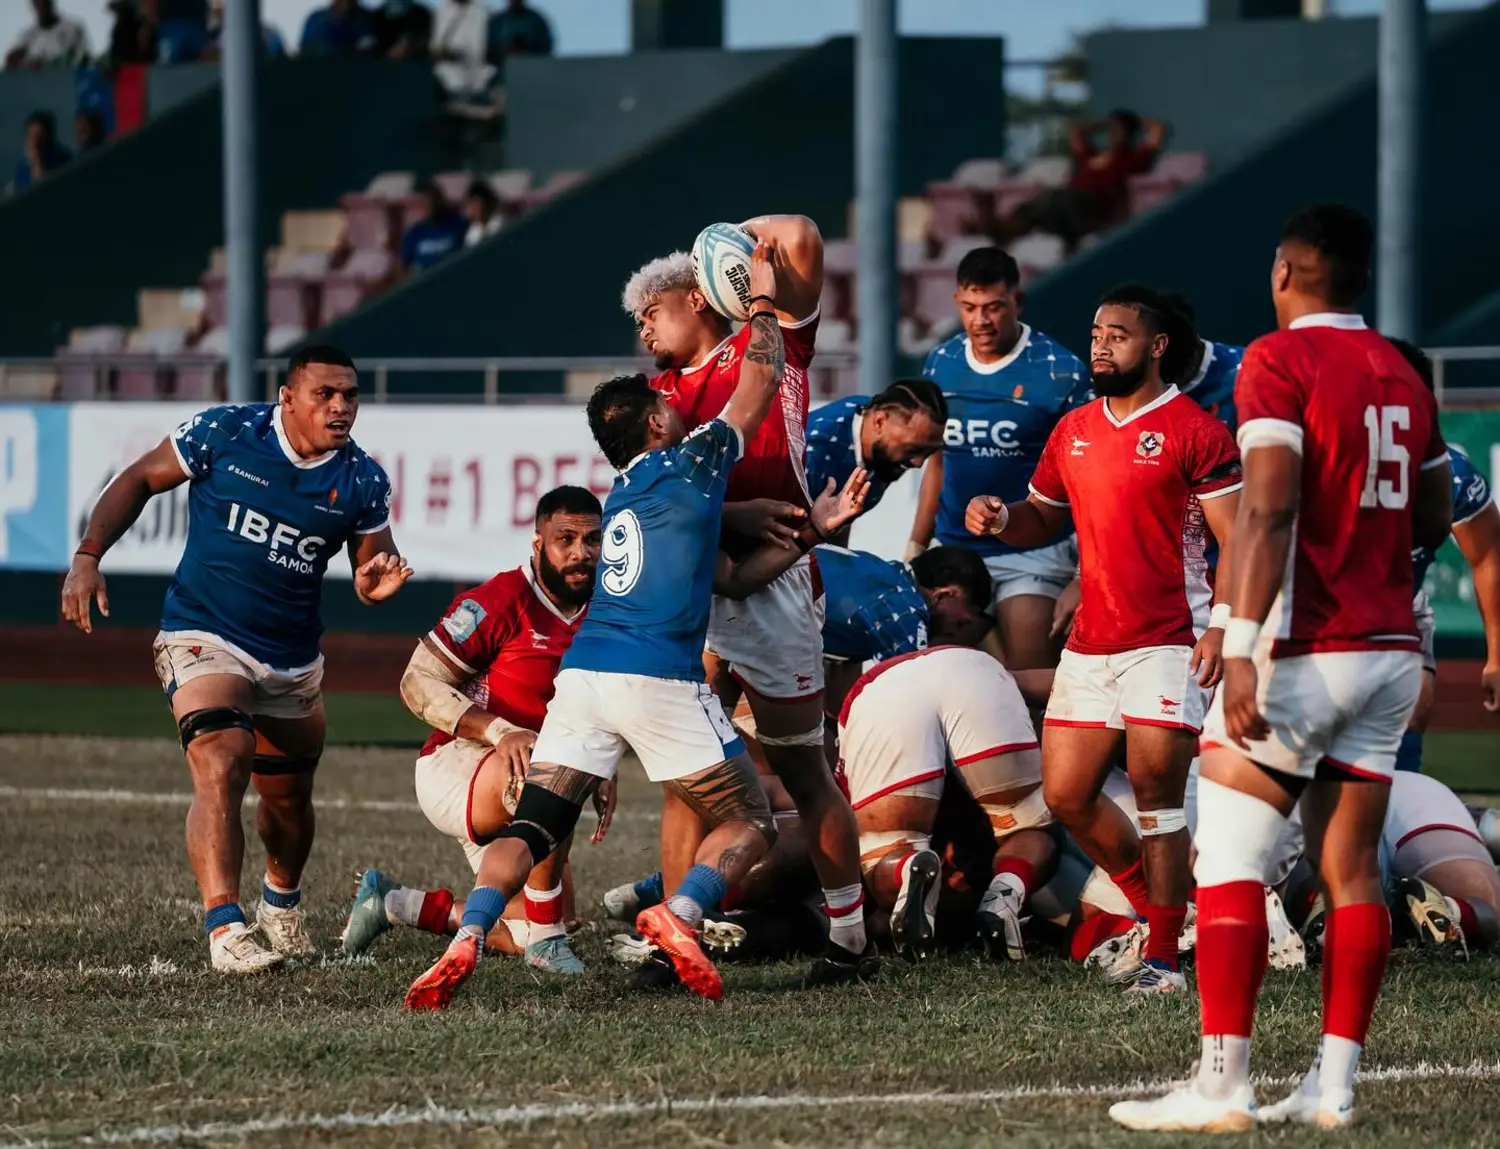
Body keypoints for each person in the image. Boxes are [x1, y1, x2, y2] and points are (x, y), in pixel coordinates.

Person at [403, 243, 843, 1009]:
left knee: (535, 825)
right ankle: (681, 913)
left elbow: (731, 571)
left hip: (583, 680)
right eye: (665, 403)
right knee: (751, 821)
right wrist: (763, 302)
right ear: (656, 419)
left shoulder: (625, 495)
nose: (677, 402)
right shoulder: (696, 458)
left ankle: (471, 932)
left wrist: (808, 530)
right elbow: (762, 378)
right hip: (655, 676)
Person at [1109, 205, 1451, 1133]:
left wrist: (1246, 636)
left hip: (1308, 644)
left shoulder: (1276, 358)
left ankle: (1222, 1084)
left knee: (1226, 858)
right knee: (1352, 872)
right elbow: (1430, 518)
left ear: (1287, 272)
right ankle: (1333, 1086)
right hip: (1388, 655)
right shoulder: (1402, 371)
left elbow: (1263, 511)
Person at [60, 346, 410, 975]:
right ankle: (225, 928)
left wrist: (373, 584)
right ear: (288, 397)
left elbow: (370, 567)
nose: (340, 407)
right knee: (222, 761)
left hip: (292, 657)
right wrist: (89, 554)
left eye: (350, 396)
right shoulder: (225, 432)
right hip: (203, 631)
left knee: (289, 802)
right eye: (325, 394)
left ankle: (281, 904)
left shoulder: (363, 479)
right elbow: (140, 477)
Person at [966, 284, 1241, 994]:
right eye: (1095, 332)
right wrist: (1001, 520)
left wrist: (1222, 626)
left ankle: (1163, 959)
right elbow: (1041, 518)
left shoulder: (1197, 430)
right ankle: (1165, 917)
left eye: (1116, 334)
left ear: (1155, 347)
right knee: (1067, 794)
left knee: (1157, 794)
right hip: (1090, 646)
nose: (1099, 344)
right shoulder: (1075, 429)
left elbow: (1237, 540)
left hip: (1167, 640)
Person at [631, 215, 877, 986]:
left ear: (699, 298)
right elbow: (664, 491)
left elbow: (800, 232)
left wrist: (727, 236)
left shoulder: (772, 341)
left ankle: (850, 939)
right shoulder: (659, 394)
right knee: (685, 777)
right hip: (705, 589)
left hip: (775, 586)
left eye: (653, 312)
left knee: (805, 772)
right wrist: (733, 514)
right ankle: (678, 934)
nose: (644, 331)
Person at [343, 486, 604, 973]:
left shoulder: (606, 606)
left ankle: (394, 902)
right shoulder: (502, 599)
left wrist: (602, 768)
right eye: (564, 539)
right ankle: (548, 939)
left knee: (530, 929)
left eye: (591, 540)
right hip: (458, 767)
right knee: (555, 775)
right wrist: (500, 731)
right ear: (536, 543)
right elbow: (417, 681)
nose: (579, 553)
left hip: (528, 781)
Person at [909, 247, 1090, 676]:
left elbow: (1085, 480)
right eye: (970, 308)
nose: (981, 321)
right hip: (954, 550)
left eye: (993, 307)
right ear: (956, 302)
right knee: (929, 672)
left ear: (1017, 303)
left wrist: (1084, 574)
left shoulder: (1060, 371)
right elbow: (937, 463)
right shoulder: (941, 362)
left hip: (1034, 552)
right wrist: (915, 549)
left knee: (1027, 678)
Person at [841, 645, 1055, 963]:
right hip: (972, 672)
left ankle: (903, 870)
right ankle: (1006, 890)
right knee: (1030, 825)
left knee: (881, 852)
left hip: (890, 692)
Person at [1385, 340, 1500, 773]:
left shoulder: (1449, 470)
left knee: (1407, 729)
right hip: (1318, 621)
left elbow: (1489, 552)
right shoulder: (1318, 458)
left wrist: (1497, 656)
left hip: (1402, 617)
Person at [994, 109, 1167, 254]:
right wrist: (1105, 123)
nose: (1113, 134)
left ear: (1130, 134)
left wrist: (1131, 120)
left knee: (1054, 201)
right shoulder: (1091, 156)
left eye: (1119, 130)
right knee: (1035, 206)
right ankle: (1005, 233)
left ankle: (1004, 233)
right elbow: (1076, 132)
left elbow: (1158, 128)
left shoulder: (1133, 159)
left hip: (1092, 206)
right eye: (1111, 130)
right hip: (1066, 203)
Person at [804, 379, 946, 539]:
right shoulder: (812, 457)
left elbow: (837, 527)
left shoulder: (875, 424)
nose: (918, 463)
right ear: (879, 421)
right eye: (913, 449)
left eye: (929, 451)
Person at [398, 182, 468, 275]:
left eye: (433, 199)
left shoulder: (460, 225)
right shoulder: (415, 232)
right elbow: (402, 266)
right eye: (425, 200)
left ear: (441, 200)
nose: (430, 204)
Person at [432, 0, 494, 97]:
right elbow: (435, 47)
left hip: (478, 83)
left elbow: (485, 50)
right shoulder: (442, 12)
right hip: (447, 81)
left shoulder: (483, 12)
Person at [6, 1, 90, 70]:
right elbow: (12, 59)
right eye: (36, 2)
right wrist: (25, 64)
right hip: (37, 86)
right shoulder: (29, 35)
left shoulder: (72, 28)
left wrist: (46, 64)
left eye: (44, 2)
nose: (41, 6)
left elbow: (83, 58)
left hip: (65, 84)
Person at [13, 111, 70, 194]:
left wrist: (37, 161)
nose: (34, 142)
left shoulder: (64, 163)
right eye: (30, 136)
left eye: (39, 136)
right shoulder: (22, 170)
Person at [299, 0, 377, 56]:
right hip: (320, 72)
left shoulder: (365, 20)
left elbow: (368, 48)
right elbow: (305, 50)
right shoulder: (317, 19)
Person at [488, 0, 553, 61]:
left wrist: (525, 49)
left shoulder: (535, 20)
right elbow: (489, 49)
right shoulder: (498, 22)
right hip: (503, 67)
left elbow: (545, 47)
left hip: (531, 66)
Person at [462, 179, 502, 247]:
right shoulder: (472, 232)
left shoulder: (501, 224)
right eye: (471, 205)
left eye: (477, 204)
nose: (474, 209)